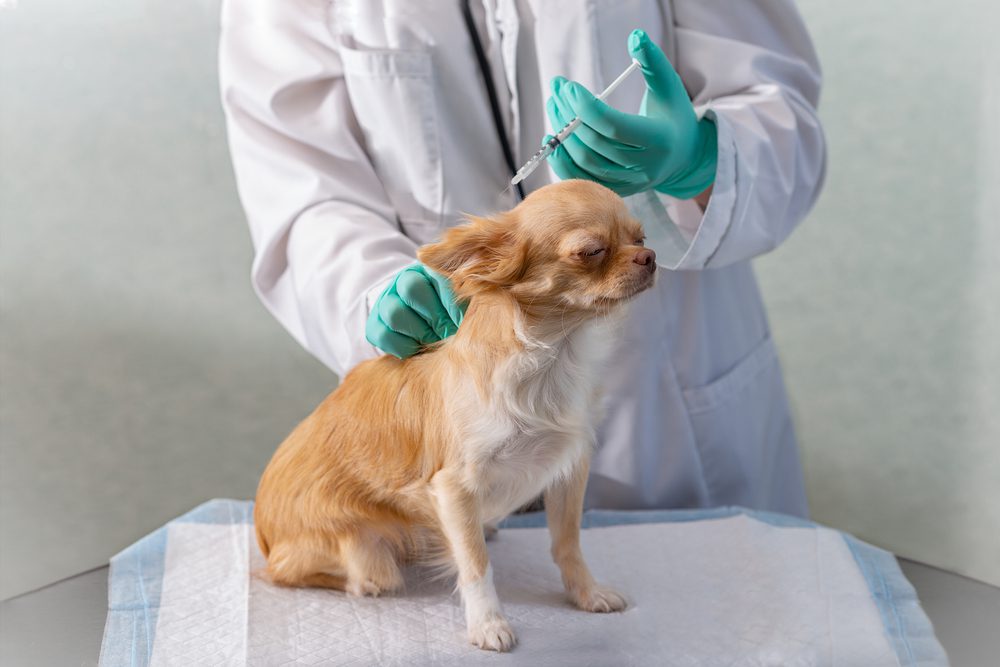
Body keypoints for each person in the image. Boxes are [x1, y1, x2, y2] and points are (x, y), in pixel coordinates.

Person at [219, 0, 826, 517]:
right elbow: (303, 189)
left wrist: (700, 158)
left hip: (667, 410)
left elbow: (779, 115)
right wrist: (375, 293)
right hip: (455, 400)